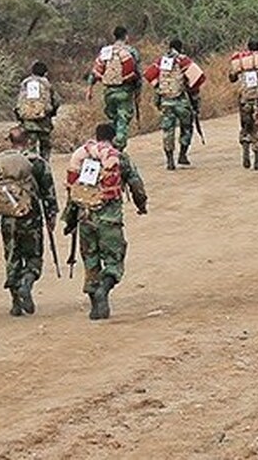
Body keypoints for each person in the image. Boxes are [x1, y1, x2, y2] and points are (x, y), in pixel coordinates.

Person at [63, 123, 147, 320]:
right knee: (114, 260)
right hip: (109, 220)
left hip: (85, 219)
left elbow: (73, 193)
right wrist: (141, 205)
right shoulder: (118, 158)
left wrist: (69, 220)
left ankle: (96, 307)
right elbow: (136, 185)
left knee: (91, 261)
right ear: (114, 137)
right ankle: (104, 290)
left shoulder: (82, 158)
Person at [0, 127, 58, 316]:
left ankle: (15, 303)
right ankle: (26, 283)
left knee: (12, 257)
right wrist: (51, 215)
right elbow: (49, 192)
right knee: (33, 256)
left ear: (10, 141)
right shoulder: (37, 162)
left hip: (7, 218)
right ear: (29, 140)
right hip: (31, 217)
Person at [144, 38, 205, 170]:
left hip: (166, 101)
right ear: (180, 48)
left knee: (167, 130)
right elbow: (198, 78)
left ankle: (170, 160)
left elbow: (149, 75)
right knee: (187, 127)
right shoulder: (183, 60)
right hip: (181, 101)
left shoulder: (160, 61)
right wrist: (193, 97)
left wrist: (159, 88)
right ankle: (182, 155)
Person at [86, 26, 141, 149]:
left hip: (108, 92)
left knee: (113, 118)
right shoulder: (130, 51)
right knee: (122, 120)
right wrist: (138, 93)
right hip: (125, 92)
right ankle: (118, 148)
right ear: (126, 36)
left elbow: (95, 71)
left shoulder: (106, 51)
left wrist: (89, 88)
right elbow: (137, 74)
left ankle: (110, 144)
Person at [229, 39, 258, 170]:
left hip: (244, 99)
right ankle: (257, 160)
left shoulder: (240, 62)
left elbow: (232, 78)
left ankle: (245, 148)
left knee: (246, 125)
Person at [14, 61, 61, 161]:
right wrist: (52, 113)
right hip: (44, 121)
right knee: (45, 147)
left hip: (28, 121)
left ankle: (31, 168)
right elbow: (56, 101)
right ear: (45, 73)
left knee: (30, 148)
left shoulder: (25, 83)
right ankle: (44, 168)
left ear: (32, 72)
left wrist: (20, 117)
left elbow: (19, 102)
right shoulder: (46, 84)